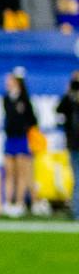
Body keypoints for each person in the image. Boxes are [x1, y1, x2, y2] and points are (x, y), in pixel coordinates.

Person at [0, 67, 40, 217]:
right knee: (9, 172)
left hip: (22, 139)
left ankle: (19, 202)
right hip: (10, 139)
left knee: (22, 173)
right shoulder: (6, 99)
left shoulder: (25, 100)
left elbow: (33, 120)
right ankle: (8, 202)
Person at [57, 73, 79, 221]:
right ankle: (76, 210)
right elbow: (59, 110)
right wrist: (69, 94)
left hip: (74, 144)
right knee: (77, 177)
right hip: (74, 145)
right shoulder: (69, 100)